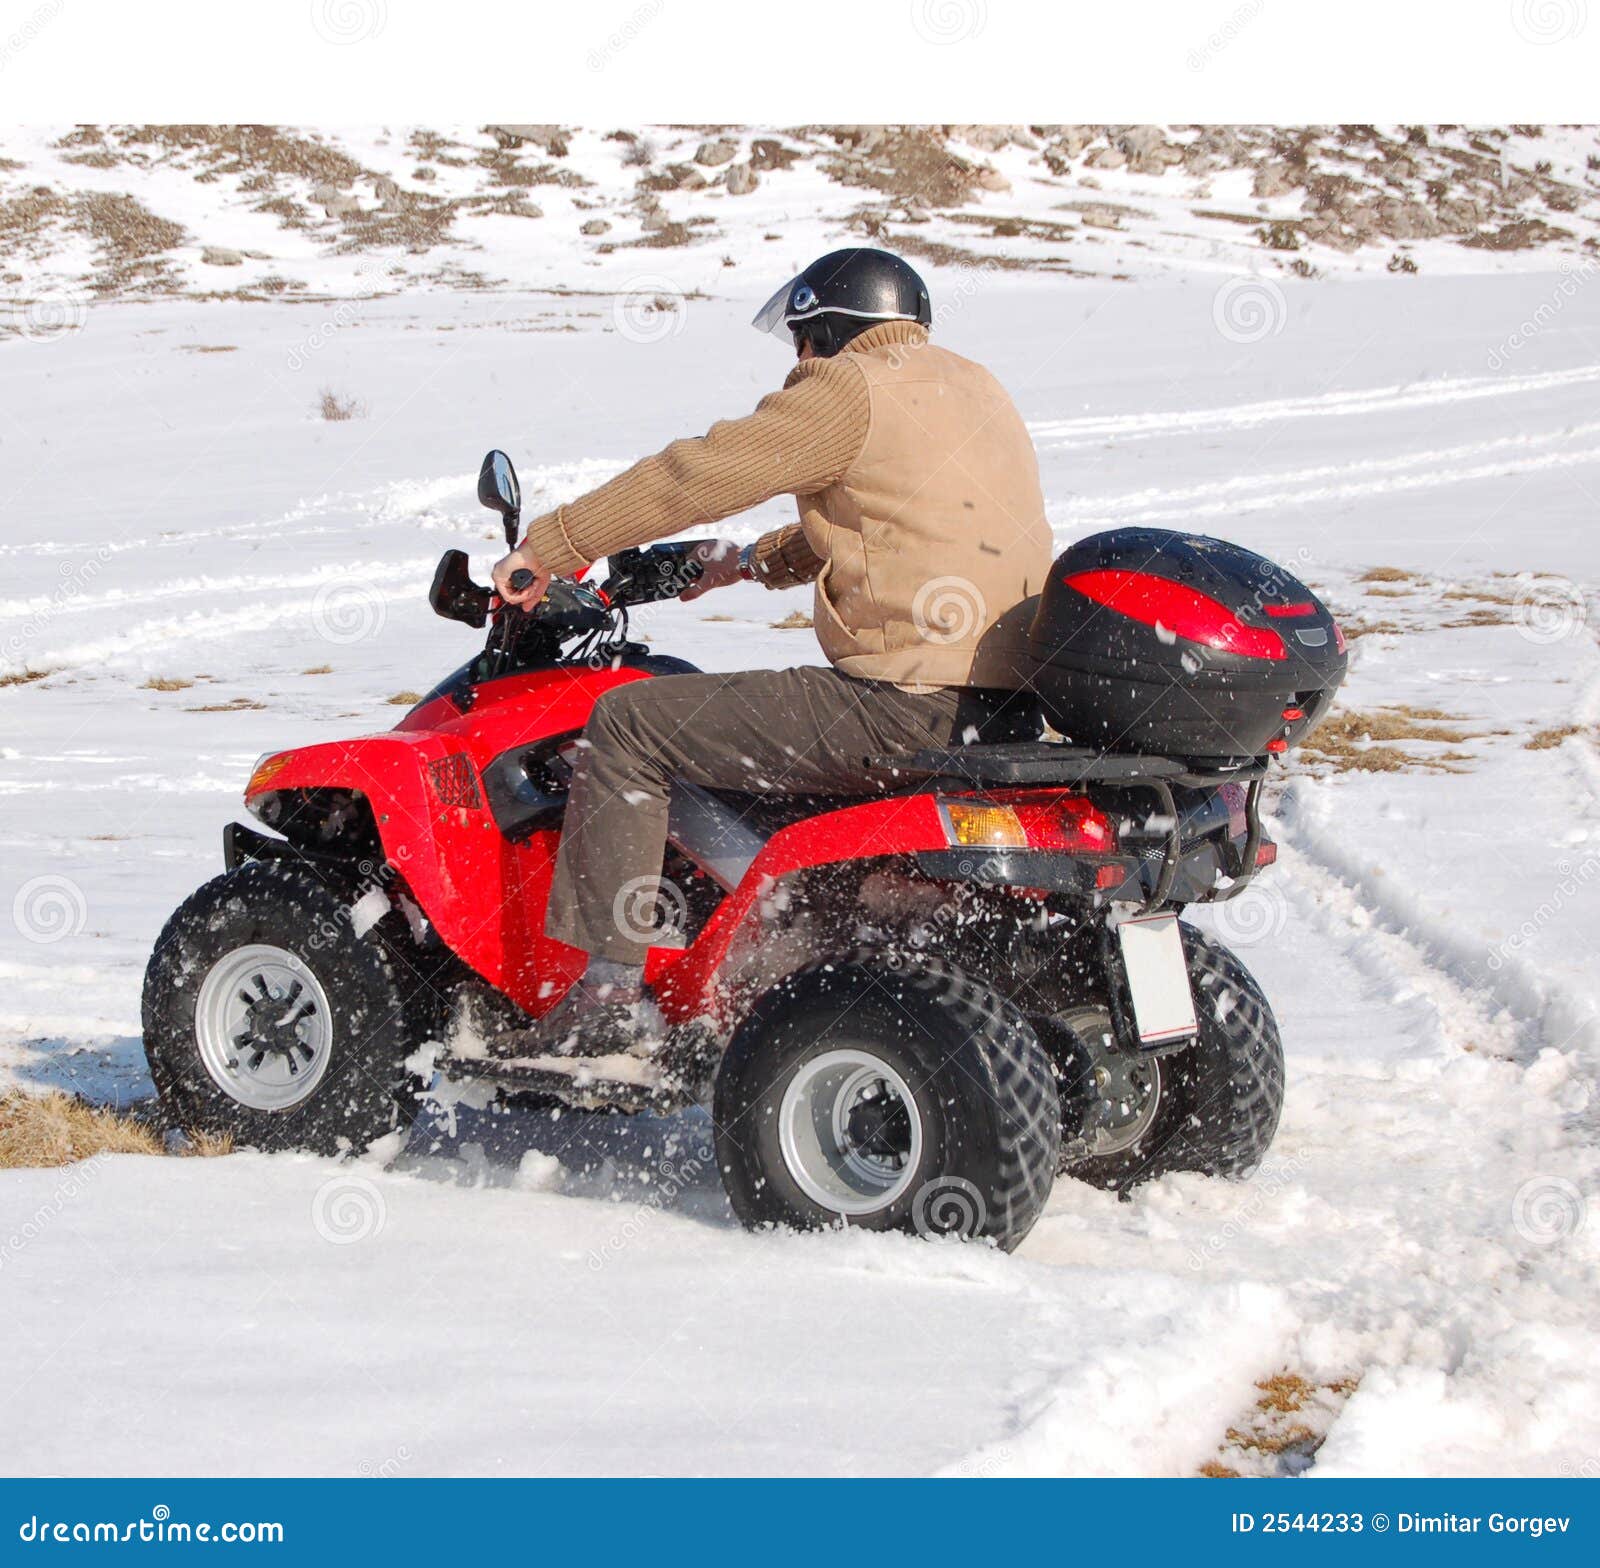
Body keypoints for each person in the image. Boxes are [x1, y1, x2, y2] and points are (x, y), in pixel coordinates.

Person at [491, 247, 1053, 1054]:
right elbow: (898, 518)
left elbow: (699, 474)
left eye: (802, 341)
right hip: (1006, 711)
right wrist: (749, 564)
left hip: (904, 707)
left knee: (625, 724)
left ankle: (607, 999)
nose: (801, 358)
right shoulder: (973, 386)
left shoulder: (848, 388)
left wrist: (550, 546)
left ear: (825, 330)